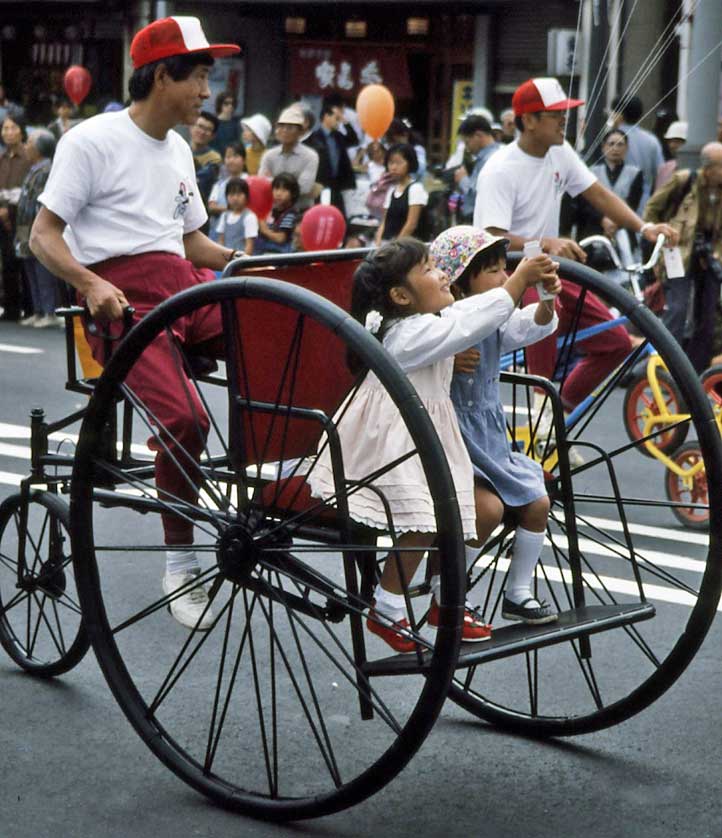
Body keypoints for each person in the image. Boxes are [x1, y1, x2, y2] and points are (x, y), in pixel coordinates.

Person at [29, 15, 243, 630]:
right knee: (184, 418)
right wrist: (92, 283)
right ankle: (181, 560)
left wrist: (245, 263)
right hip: (124, 299)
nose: (207, 93)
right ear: (161, 75)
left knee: (273, 339)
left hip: (182, 284)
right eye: (199, 77)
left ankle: (283, 479)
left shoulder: (179, 147)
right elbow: (43, 236)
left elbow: (192, 240)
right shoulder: (91, 141)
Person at [307, 238, 561, 651]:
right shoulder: (407, 334)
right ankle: (388, 607)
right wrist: (516, 283)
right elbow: (460, 325)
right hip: (387, 443)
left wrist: (525, 290)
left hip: (419, 438)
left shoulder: (429, 319)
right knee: (426, 516)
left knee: (449, 510)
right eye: (429, 269)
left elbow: (465, 315)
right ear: (400, 296)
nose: (443, 273)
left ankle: (446, 599)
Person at [475, 77, 675, 416]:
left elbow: (597, 194)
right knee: (544, 324)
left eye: (565, 114)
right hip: (511, 272)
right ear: (529, 121)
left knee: (615, 343)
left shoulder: (560, 152)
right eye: (555, 115)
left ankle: (557, 419)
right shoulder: (499, 169)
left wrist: (645, 227)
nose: (563, 120)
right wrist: (545, 243)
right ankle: (542, 419)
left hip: (550, 268)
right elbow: (491, 236)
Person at [430, 225, 560, 624]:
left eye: (507, 269)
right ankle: (445, 588)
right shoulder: (448, 318)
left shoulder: (495, 318)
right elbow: (426, 356)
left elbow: (526, 326)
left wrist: (547, 301)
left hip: (489, 436)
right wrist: (449, 361)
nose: (505, 278)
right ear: (462, 280)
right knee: (486, 509)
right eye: (493, 271)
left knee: (537, 502)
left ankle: (518, 591)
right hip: (452, 438)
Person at [644, 142, 722, 372]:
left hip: (711, 257)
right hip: (678, 252)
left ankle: (694, 372)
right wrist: (657, 232)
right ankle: (663, 367)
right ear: (709, 168)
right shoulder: (683, 181)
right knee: (677, 310)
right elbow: (651, 209)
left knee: (707, 315)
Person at [14, 128, 62, 328]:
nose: (26, 146)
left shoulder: (46, 170)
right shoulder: (34, 168)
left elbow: (40, 202)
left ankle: (49, 311)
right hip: (25, 226)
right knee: (30, 269)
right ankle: (38, 310)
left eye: (30, 143)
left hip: (35, 224)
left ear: (39, 148)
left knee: (42, 272)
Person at [576, 128, 643, 266]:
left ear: (626, 148)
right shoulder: (591, 172)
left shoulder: (635, 173)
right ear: (603, 147)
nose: (615, 149)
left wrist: (615, 221)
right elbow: (585, 203)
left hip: (623, 229)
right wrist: (603, 220)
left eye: (620, 144)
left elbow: (632, 203)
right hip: (595, 230)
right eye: (611, 144)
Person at [609, 95, 664, 210]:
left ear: (619, 115)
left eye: (612, 112)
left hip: (614, 203)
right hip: (644, 205)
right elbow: (661, 174)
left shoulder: (610, 141)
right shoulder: (652, 140)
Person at [259, 105, 319, 210]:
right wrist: (292, 182)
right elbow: (262, 184)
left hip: (299, 212)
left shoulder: (310, 156)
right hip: (273, 211)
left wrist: (274, 182)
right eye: (281, 126)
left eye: (290, 128)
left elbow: (304, 188)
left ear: (301, 132)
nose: (285, 131)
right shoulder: (269, 155)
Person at [0, 113, 30, 321]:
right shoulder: (1, 158)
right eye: (5, 129)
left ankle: (29, 307)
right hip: (2, 214)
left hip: (21, 217)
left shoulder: (28, 155)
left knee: (23, 262)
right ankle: (10, 307)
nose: (9, 132)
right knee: (6, 261)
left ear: (22, 130)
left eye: (13, 128)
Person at [305, 103, 358, 217]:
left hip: (336, 184)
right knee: (320, 214)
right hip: (320, 183)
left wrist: (345, 121)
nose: (337, 122)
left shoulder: (338, 136)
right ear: (326, 116)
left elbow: (354, 140)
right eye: (336, 118)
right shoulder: (314, 137)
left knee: (339, 216)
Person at [374, 144, 428, 244]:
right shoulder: (391, 190)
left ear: (409, 164)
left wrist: (395, 247)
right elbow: (385, 221)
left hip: (408, 246)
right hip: (389, 243)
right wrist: (378, 241)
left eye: (399, 163)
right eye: (391, 163)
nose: (394, 167)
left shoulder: (416, 189)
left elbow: (411, 224)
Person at [455, 114, 499, 222]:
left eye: (467, 142)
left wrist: (462, 179)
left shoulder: (490, 159)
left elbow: (479, 194)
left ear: (478, 135)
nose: (467, 148)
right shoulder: (484, 156)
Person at [207, 141, 246, 239]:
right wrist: (234, 208)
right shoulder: (219, 185)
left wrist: (225, 208)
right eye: (228, 157)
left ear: (244, 160)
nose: (231, 160)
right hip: (218, 235)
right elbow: (212, 207)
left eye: (235, 156)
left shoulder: (250, 181)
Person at [255, 172, 299, 255]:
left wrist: (265, 230)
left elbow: (281, 238)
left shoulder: (291, 214)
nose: (278, 193)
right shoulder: (269, 210)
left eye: (284, 190)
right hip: (264, 252)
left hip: (279, 254)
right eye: (276, 188)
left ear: (293, 194)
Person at [190, 110, 222, 212]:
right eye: (200, 126)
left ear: (213, 136)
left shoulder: (215, 159)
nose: (202, 132)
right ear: (191, 126)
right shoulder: (179, 149)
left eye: (208, 130)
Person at [216, 177, 257, 255]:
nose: (235, 198)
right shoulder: (224, 216)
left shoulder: (249, 217)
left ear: (246, 196)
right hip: (225, 260)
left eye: (239, 194)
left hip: (240, 262)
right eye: (231, 194)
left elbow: (249, 246)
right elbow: (221, 241)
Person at [655, 121, 687, 191]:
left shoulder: (696, 170)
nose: (672, 145)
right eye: (670, 141)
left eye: (677, 141)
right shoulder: (664, 169)